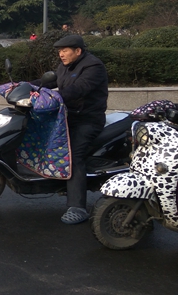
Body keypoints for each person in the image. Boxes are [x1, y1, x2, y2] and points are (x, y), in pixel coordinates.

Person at [51, 34, 108, 224]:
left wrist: (54, 97)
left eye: (65, 50)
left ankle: (77, 207)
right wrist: (25, 86)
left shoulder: (94, 67)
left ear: (78, 51)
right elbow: (50, 80)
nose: (61, 54)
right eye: (59, 51)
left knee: (74, 156)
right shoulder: (64, 67)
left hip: (88, 120)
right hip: (69, 117)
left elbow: (79, 89)